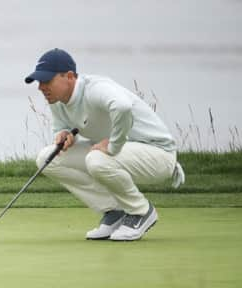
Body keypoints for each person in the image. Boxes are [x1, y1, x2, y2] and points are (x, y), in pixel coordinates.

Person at [25, 48, 184, 241]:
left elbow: (123, 107)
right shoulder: (57, 100)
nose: (41, 87)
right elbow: (61, 125)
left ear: (68, 76)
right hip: (122, 156)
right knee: (47, 158)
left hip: (159, 154)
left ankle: (141, 211)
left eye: (47, 81)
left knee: (97, 159)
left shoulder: (95, 88)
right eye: (39, 82)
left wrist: (113, 145)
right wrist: (63, 134)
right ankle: (114, 210)